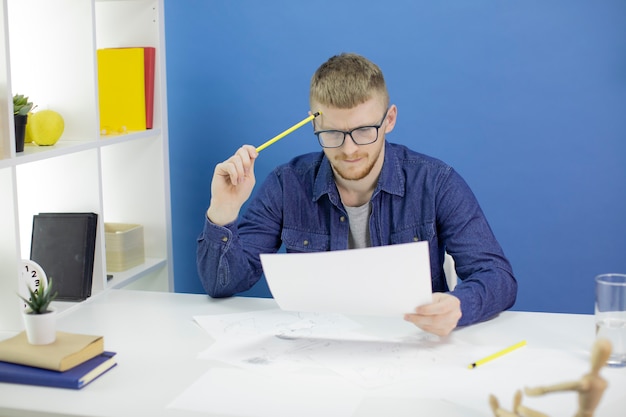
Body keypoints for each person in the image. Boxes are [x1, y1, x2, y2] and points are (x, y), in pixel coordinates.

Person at [197, 52, 517, 336]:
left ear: (389, 119)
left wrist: (458, 306)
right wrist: (223, 210)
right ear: (314, 127)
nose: (350, 149)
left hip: (412, 347)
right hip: (316, 352)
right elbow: (221, 284)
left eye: (364, 131)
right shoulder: (286, 184)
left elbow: (497, 277)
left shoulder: (437, 182)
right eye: (333, 133)